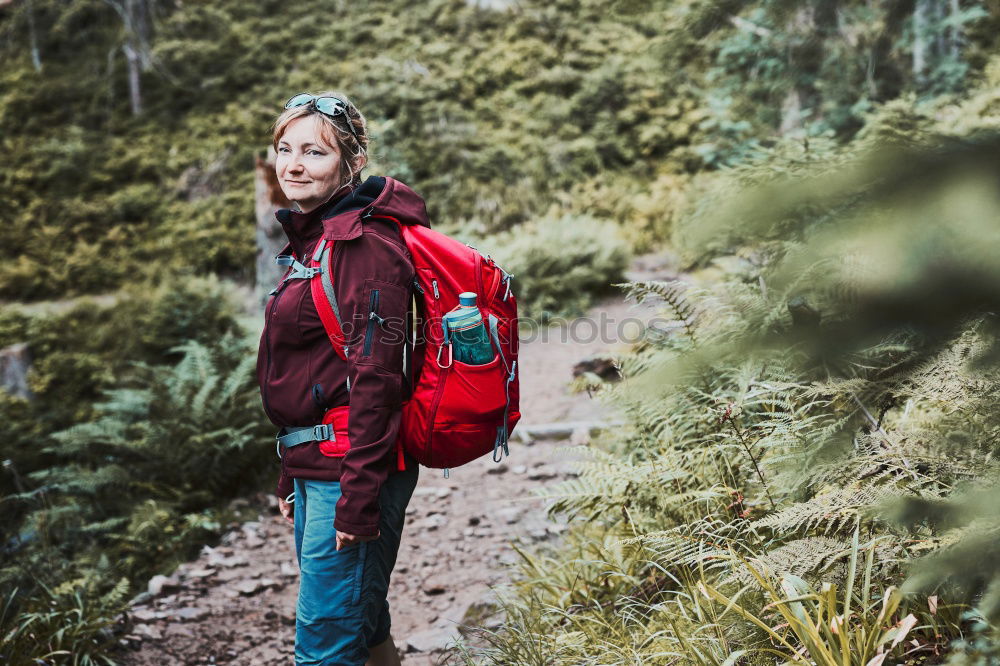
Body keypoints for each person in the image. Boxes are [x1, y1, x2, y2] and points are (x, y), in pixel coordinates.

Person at [256, 91, 429, 665]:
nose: (293, 164)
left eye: (314, 152)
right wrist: (292, 470)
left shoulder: (364, 247)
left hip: (353, 470)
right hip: (321, 465)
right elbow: (310, 373)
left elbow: (375, 379)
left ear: (351, 162)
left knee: (323, 645)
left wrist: (357, 499)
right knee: (363, 619)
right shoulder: (316, 243)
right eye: (284, 149)